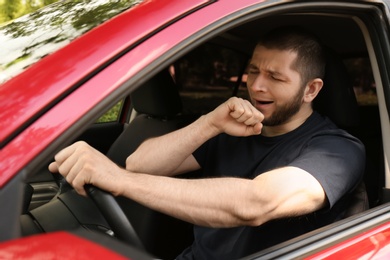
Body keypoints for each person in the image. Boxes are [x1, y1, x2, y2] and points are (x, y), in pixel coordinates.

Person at [49, 27, 365, 259]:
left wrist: (118, 179)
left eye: (275, 77)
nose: (256, 86)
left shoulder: (337, 150)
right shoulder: (232, 129)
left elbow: (257, 203)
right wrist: (208, 124)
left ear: (310, 90)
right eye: (253, 70)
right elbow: (139, 164)